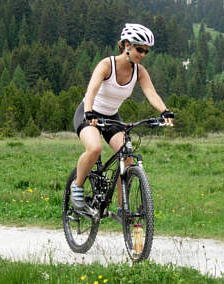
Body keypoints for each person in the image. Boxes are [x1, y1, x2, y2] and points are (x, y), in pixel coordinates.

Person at [72, 23, 174, 213]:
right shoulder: (106, 65)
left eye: (146, 51)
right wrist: (89, 112)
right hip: (89, 112)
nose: (143, 54)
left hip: (112, 117)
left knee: (126, 157)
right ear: (126, 45)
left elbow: (151, 92)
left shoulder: (139, 72)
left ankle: (122, 208)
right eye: (139, 49)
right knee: (95, 148)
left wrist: (164, 111)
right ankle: (77, 188)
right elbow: (92, 89)